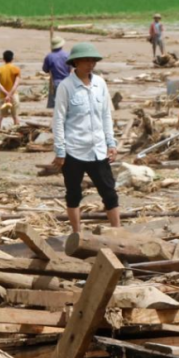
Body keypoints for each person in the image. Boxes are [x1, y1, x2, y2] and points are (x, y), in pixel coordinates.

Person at [52, 42, 120, 238]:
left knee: (109, 193)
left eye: (93, 60)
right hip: (74, 150)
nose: (91, 64)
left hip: (98, 148)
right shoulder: (66, 87)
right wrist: (60, 151)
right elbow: (59, 119)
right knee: (73, 194)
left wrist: (111, 143)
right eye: (86, 60)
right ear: (76, 62)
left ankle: (118, 233)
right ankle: (77, 234)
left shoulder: (100, 84)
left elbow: (106, 115)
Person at [0, 50, 21, 138]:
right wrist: (10, 94)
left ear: (3, 59)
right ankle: (17, 136)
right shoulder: (16, 69)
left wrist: (6, 94)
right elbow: (16, 84)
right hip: (14, 96)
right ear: (12, 58)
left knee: (0, 117)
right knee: (15, 117)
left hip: (2, 97)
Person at [43, 36, 70, 109]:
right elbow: (71, 68)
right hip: (67, 82)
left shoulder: (49, 56)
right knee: (66, 104)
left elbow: (45, 69)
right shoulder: (67, 55)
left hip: (54, 83)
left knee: (54, 106)